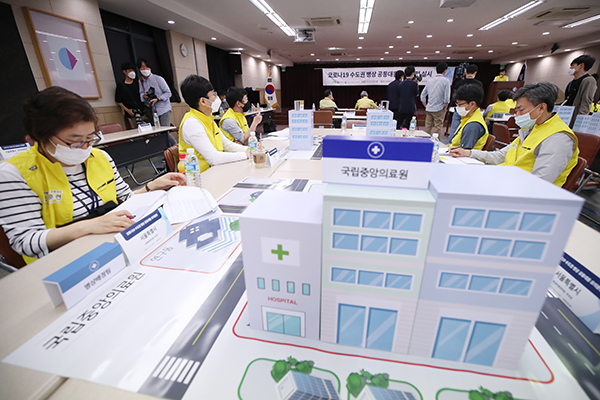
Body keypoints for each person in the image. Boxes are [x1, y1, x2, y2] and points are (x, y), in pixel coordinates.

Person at [0, 87, 186, 262]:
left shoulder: (99, 157)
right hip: (65, 262)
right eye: (75, 142)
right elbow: (26, 241)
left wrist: (150, 186)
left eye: (90, 138)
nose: (85, 147)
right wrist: (89, 226)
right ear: (41, 136)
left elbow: (125, 198)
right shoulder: (15, 174)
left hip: (116, 246)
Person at [449, 82, 579, 187]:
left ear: (541, 108)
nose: (517, 116)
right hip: (505, 181)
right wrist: (469, 153)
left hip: (520, 194)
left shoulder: (558, 138)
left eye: (521, 110)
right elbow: (501, 156)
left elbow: (539, 184)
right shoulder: (532, 128)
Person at [179, 75, 248, 173]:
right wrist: (246, 155)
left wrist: (250, 150)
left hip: (215, 171)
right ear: (203, 101)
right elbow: (213, 157)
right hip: (200, 177)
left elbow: (227, 145)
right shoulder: (192, 123)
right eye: (213, 95)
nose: (216, 98)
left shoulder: (208, 118)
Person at [450, 84, 489, 150]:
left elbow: (463, 152)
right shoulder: (468, 118)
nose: (458, 107)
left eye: (460, 104)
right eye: (457, 104)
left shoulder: (473, 125)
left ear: (472, 104)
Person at [450, 64, 483, 136]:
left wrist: (458, 105)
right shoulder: (479, 84)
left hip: (459, 111)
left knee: (454, 131)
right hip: (471, 111)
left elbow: (454, 97)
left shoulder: (459, 83)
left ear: (466, 73)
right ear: (475, 73)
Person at [138, 58, 172, 127]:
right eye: (141, 67)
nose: (144, 69)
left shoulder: (158, 79)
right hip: (152, 111)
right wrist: (144, 96)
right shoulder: (141, 81)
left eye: (145, 67)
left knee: (165, 131)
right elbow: (141, 93)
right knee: (157, 132)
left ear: (149, 67)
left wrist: (158, 99)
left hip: (163, 109)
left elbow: (168, 93)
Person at [420, 62, 451, 135]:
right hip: (440, 108)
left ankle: (425, 143)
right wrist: (445, 107)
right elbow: (447, 97)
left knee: (427, 127)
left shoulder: (430, 81)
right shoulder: (446, 81)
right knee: (438, 128)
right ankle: (437, 144)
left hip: (429, 108)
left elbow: (422, 96)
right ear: (445, 70)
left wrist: (426, 106)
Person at [564, 55, 597, 122]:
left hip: (574, 118)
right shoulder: (572, 82)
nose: (570, 68)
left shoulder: (589, 80)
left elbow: (586, 101)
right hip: (565, 115)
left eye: (573, 65)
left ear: (581, 65)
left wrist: (580, 120)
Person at [114, 62, 146, 127]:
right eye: (130, 70)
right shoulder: (121, 85)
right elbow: (118, 101)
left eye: (133, 70)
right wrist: (127, 110)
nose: (132, 72)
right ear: (124, 71)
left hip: (143, 112)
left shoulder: (138, 83)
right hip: (131, 114)